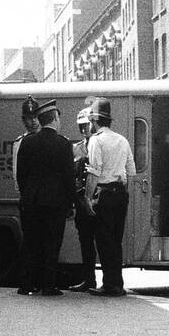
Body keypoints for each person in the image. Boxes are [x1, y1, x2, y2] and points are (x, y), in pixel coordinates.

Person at [14, 98, 75, 296]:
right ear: (55, 118)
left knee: (31, 242)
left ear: (41, 120)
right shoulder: (64, 144)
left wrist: (27, 195)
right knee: (52, 243)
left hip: (31, 201)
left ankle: (27, 284)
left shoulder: (27, 142)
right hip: (55, 204)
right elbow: (68, 177)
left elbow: (21, 175)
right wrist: (70, 202)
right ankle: (48, 285)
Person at [84, 97, 135, 296]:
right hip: (120, 194)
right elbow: (131, 171)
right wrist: (124, 193)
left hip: (104, 194)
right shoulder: (122, 140)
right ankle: (117, 283)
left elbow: (94, 172)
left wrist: (88, 198)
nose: (90, 125)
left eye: (90, 122)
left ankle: (109, 285)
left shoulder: (96, 140)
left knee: (104, 241)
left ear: (95, 121)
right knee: (116, 239)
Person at [69, 107, 99, 292]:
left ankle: (111, 281)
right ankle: (89, 279)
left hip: (99, 200)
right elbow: (72, 176)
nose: (83, 130)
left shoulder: (101, 144)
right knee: (86, 242)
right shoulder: (76, 148)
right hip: (82, 200)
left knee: (104, 241)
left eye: (86, 125)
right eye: (80, 126)